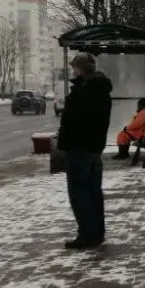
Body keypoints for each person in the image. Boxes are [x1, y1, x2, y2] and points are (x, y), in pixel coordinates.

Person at [57, 52, 113, 249]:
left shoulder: (83, 91)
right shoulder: (101, 89)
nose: (73, 70)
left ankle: (87, 234)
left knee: (79, 193)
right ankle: (97, 232)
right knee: (93, 192)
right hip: (94, 148)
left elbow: (73, 121)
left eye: (75, 67)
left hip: (78, 147)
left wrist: (64, 142)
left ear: (81, 69)